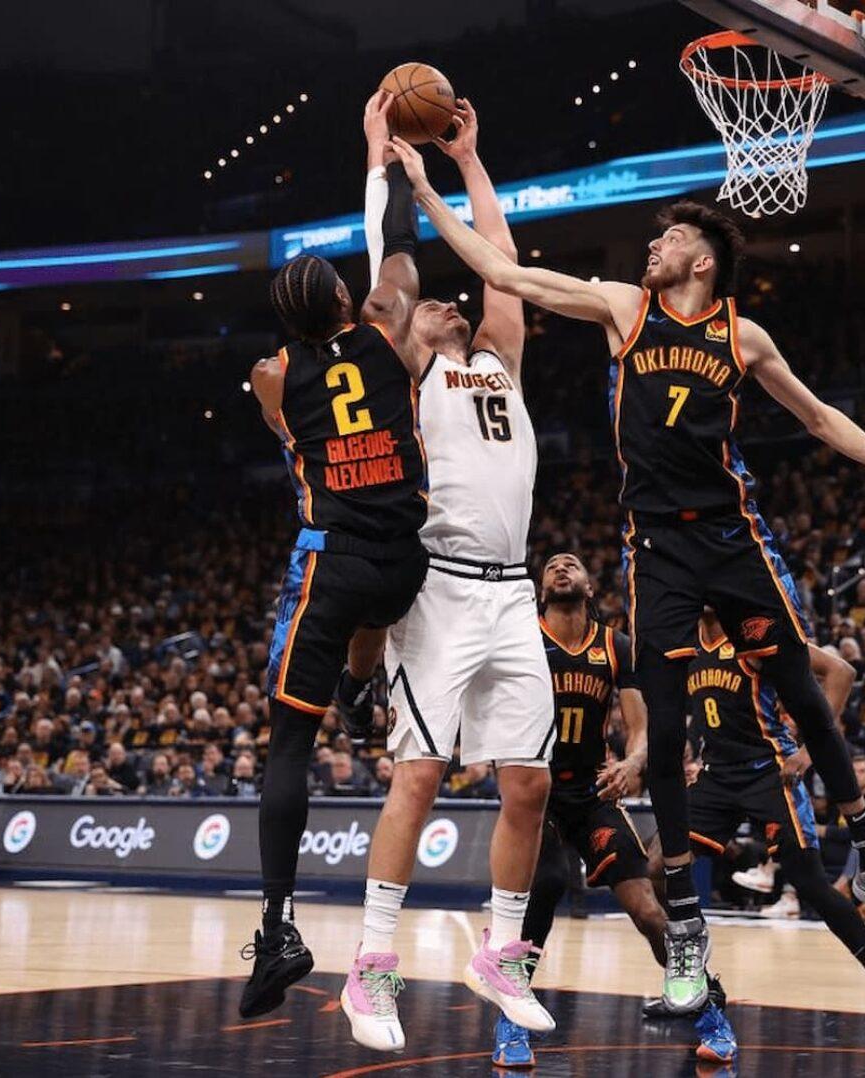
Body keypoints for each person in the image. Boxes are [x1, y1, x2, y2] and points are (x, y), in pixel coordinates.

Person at [390, 135, 865, 1014]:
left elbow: (817, 417)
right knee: (668, 726)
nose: (651, 248)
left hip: (730, 532)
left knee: (801, 687)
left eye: (667, 240)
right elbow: (505, 271)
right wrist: (429, 187)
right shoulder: (624, 308)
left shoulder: (742, 335)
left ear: (702, 258)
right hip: (657, 547)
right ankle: (685, 925)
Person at [339, 99, 554, 1053]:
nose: (449, 305)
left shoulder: (499, 360)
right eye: (433, 307)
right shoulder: (406, 375)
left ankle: (500, 953)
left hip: (513, 591)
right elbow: (385, 268)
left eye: (452, 303)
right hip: (441, 589)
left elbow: (499, 261)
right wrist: (379, 162)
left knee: (530, 785)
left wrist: (469, 162)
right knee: (419, 775)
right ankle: (371, 965)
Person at [238, 90, 432, 1019]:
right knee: (369, 615)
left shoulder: (272, 378)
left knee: (286, 740)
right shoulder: (392, 328)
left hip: (336, 559)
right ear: (351, 302)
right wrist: (380, 151)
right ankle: (363, 688)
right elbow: (395, 240)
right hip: (408, 563)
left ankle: (277, 927)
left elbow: (288, 394)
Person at [492, 553, 735, 1067]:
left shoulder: (615, 645)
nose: (561, 569)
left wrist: (632, 761)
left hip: (592, 792)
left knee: (648, 909)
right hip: (535, 793)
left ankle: (708, 1012)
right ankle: (511, 1023)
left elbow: (639, 726)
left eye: (572, 564)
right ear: (541, 589)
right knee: (545, 890)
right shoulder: (523, 637)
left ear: (589, 587)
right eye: (552, 566)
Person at [649, 608, 865, 1037]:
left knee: (811, 885)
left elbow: (840, 672)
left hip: (770, 772)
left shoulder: (752, 632)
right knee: (657, 868)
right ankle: (702, 985)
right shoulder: (687, 643)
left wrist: (810, 750)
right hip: (716, 777)